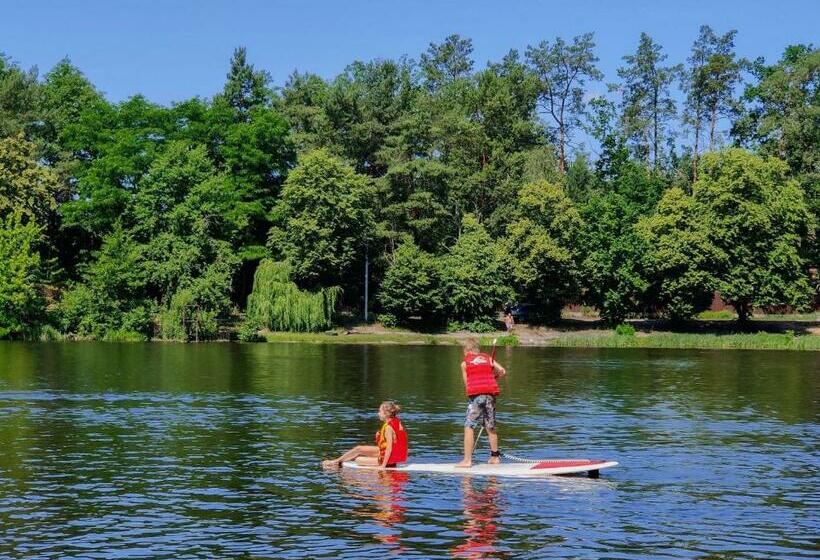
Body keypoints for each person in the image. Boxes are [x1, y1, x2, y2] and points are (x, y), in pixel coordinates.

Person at [455, 338, 506, 468]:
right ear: (478, 350)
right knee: (490, 426)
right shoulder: (488, 358)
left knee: (469, 426)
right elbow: (502, 371)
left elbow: (467, 384)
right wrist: (493, 377)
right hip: (490, 395)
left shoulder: (464, 364)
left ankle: (467, 460)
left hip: (477, 396)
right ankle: (495, 457)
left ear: (467, 351)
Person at [322, 401, 408, 469]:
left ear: (386, 413)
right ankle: (336, 461)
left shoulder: (389, 427)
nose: (378, 413)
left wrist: (383, 466)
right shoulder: (396, 421)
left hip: (389, 461)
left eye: (379, 411)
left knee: (358, 459)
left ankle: (336, 463)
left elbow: (389, 448)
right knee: (359, 449)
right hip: (392, 456)